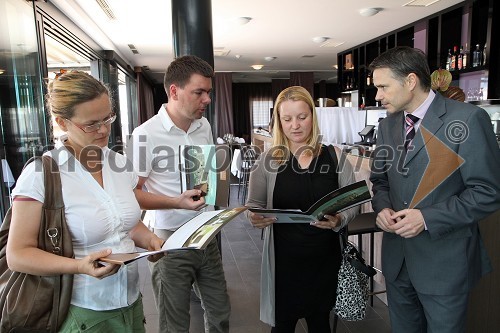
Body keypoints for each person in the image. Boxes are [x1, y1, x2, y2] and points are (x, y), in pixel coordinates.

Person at [7, 71, 165, 332]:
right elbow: (18, 255)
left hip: (131, 301)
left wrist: (151, 241)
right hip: (82, 310)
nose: (103, 130)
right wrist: (78, 266)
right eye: (91, 124)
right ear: (62, 122)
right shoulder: (41, 175)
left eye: (107, 118)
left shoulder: (118, 164)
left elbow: (126, 223)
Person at [369, 46, 500, 333]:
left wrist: (426, 218)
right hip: (397, 262)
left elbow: (487, 191)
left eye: (383, 87)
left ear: (411, 81)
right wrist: (382, 209)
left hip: (445, 265)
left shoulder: (467, 119)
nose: (378, 96)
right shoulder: (387, 126)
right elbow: (380, 180)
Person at [129, 55, 230, 333]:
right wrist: (175, 202)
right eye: (199, 92)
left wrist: (218, 197)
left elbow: (205, 177)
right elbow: (133, 194)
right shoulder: (144, 135)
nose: (207, 99)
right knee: (175, 325)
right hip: (169, 242)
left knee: (220, 313)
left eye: (208, 92)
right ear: (174, 91)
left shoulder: (204, 126)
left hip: (205, 236)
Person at [245, 86, 359, 332]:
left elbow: (353, 203)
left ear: (313, 118)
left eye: (302, 117)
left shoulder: (334, 156)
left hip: (324, 260)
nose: (295, 125)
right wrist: (255, 217)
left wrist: (339, 219)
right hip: (283, 261)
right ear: (279, 121)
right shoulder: (267, 161)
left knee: (320, 324)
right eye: (287, 119)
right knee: (283, 325)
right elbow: (252, 207)